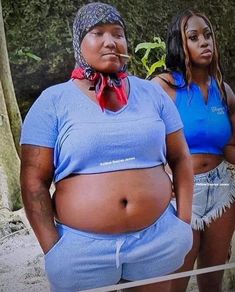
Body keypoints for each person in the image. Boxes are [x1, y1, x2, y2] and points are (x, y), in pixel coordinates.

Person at [20, 3, 193, 292]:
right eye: (97, 33)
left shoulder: (152, 93)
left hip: (156, 240)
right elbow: (33, 181)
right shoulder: (52, 101)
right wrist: (53, 248)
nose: (110, 42)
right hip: (81, 252)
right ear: (78, 42)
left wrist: (182, 224)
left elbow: (180, 157)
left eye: (118, 33)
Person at [152, 8, 235, 292]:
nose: (205, 42)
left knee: (213, 279)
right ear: (179, 43)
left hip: (222, 187)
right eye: (194, 37)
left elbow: (232, 145)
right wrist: (160, 175)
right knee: (176, 281)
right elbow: (143, 142)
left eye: (208, 35)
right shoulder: (162, 88)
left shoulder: (223, 91)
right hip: (180, 192)